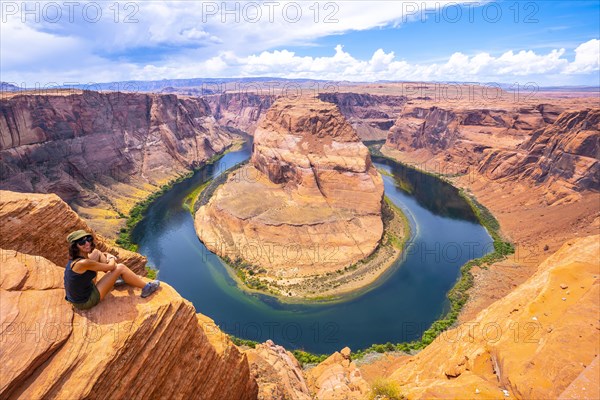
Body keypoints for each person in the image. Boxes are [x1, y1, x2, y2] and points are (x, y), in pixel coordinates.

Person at [64, 230, 160, 310]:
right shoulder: (83, 263)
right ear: (75, 246)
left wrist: (105, 255)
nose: (87, 243)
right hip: (85, 301)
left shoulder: (76, 259)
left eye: (88, 239)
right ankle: (147, 288)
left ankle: (115, 278)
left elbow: (97, 255)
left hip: (79, 294)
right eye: (81, 242)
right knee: (120, 267)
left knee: (96, 253)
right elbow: (111, 267)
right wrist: (110, 257)